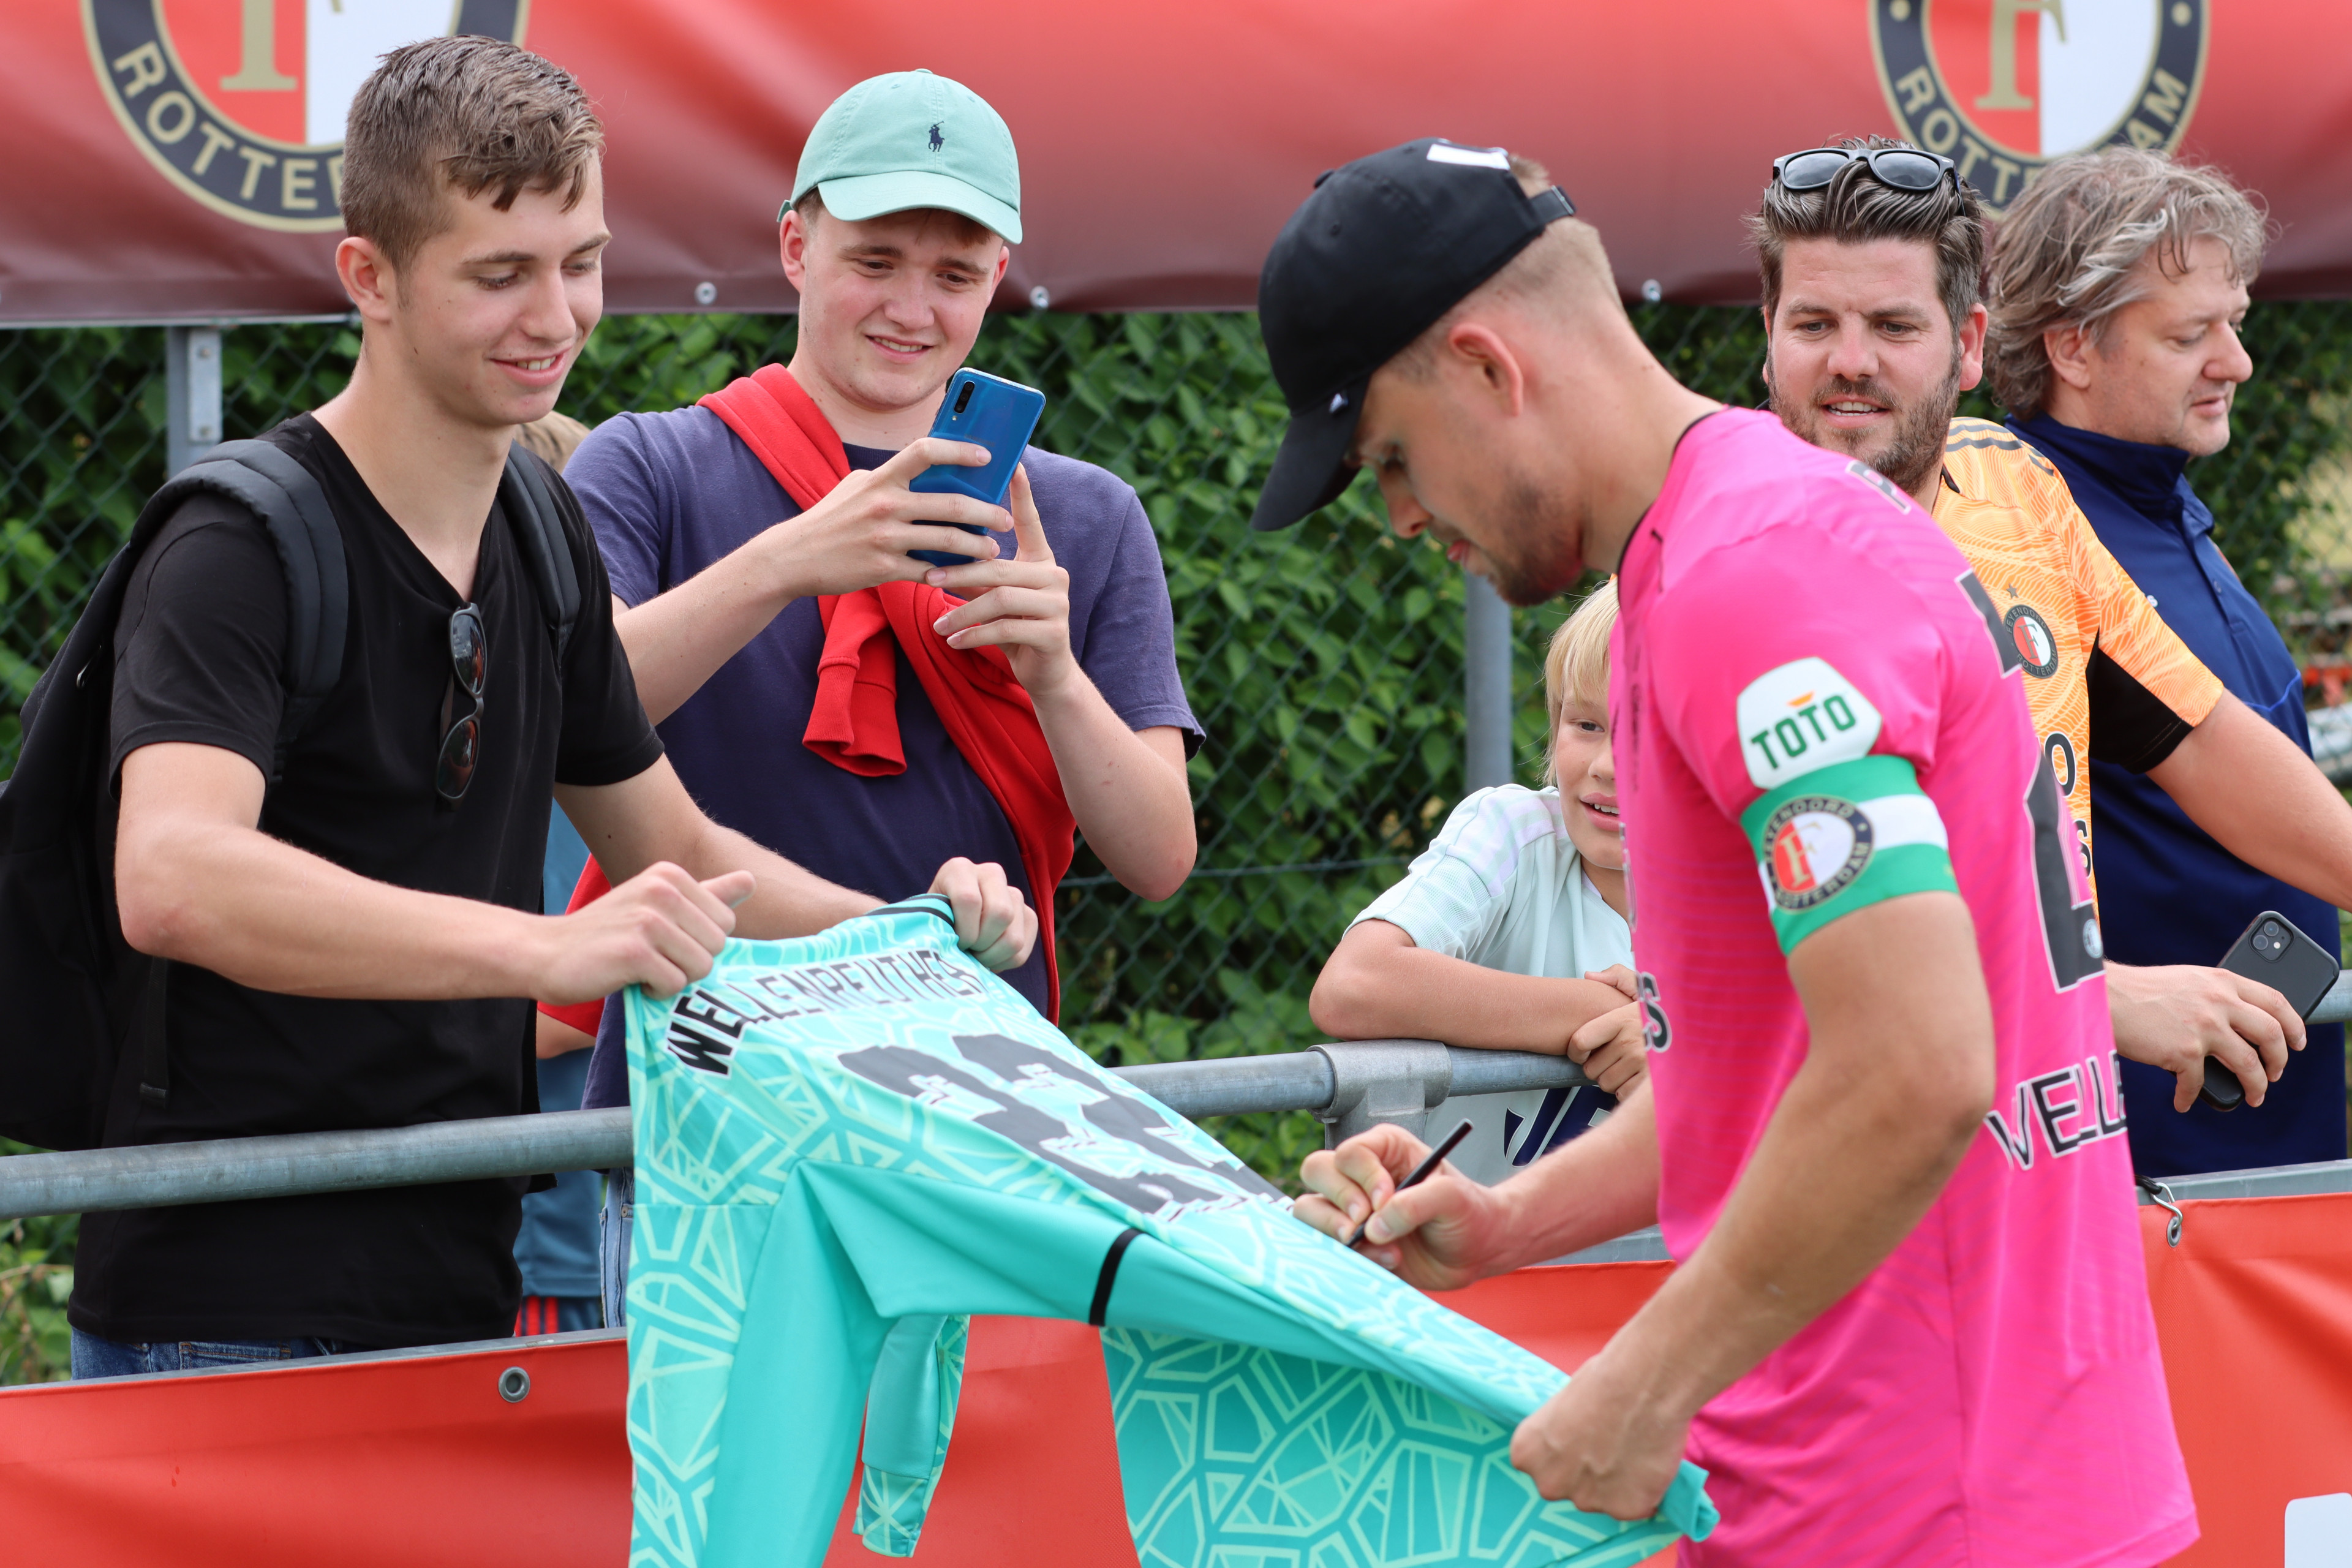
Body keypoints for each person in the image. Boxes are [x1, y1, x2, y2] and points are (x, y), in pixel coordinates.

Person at [1258, 140, 2192, 1565]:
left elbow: (1911, 1066)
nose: (1398, 515)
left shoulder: (1748, 577)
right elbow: (1762, 1071)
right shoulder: (1735, 541)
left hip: (1920, 1499)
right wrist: (1508, 1219)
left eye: (1389, 455)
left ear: (1486, 368)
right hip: (1925, 1474)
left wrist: (1644, 1378)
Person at [68, 38, 1033, 1378]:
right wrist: (545, 949)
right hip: (224, 1299)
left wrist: (905, 938)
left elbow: (675, 850)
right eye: (500, 274)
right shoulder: (238, 541)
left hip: (461, 1266)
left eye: (581, 262)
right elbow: (175, 877)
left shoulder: (540, 526)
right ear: (369, 278)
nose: (557, 316)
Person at [554, 68, 1199, 1323]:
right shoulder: (651, 463)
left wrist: (1055, 674)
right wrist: (788, 559)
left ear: (999, 278)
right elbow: (567, 714)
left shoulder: (1083, 516)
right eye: (876, 260)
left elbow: (1159, 855)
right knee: (709, 1457)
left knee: (975, 1454)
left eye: (955, 274)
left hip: (981, 1107)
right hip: (711, 1105)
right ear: (796, 246)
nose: (913, 308)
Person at [1755, 138, 2352, 1128]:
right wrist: (2100, 992)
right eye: (1815, 323)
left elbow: (2197, 735)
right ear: (1770, 333)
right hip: (1865, 1149)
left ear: (1969, 343)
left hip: (2069, 1138)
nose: (1852, 361)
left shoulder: (2016, 488)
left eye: (1895, 325)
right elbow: (1785, 913)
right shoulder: (1705, 558)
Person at [1984, 146, 2346, 1175]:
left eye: (2237, 323)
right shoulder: (2020, 534)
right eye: (2191, 335)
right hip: (2141, 1137)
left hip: (2269, 1102)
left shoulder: (2162, 500)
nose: (2237, 362)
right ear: (2072, 348)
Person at [1310, 582, 1643, 1185]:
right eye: (1587, 724)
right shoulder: (1514, 832)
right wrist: (1611, 1013)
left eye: (1644, 737)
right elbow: (1353, 985)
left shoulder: (1760, 892)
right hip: (1453, 1240)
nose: (1606, 766)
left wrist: (1686, 1046)